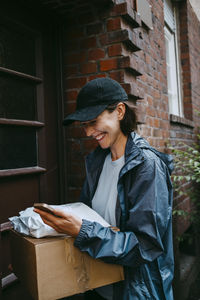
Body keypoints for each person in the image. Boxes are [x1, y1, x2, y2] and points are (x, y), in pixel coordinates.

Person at [34, 78, 174, 300]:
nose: (89, 132)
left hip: (133, 291)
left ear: (119, 111)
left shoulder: (147, 167)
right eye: (84, 124)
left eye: (93, 121)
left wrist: (83, 231)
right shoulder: (97, 162)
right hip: (96, 286)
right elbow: (88, 218)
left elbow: (145, 247)